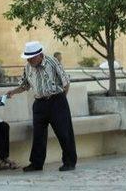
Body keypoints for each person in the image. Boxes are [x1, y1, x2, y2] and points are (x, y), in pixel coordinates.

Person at [6, 41, 77, 172]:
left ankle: (69, 161)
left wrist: (61, 101)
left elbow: (66, 82)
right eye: (27, 57)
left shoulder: (52, 62)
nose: (29, 60)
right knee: (38, 135)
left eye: (31, 57)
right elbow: (25, 85)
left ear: (40, 55)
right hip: (39, 103)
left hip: (56, 100)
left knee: (64, 133)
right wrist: (13, 92)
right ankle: (36, 163)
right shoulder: (27, 67)